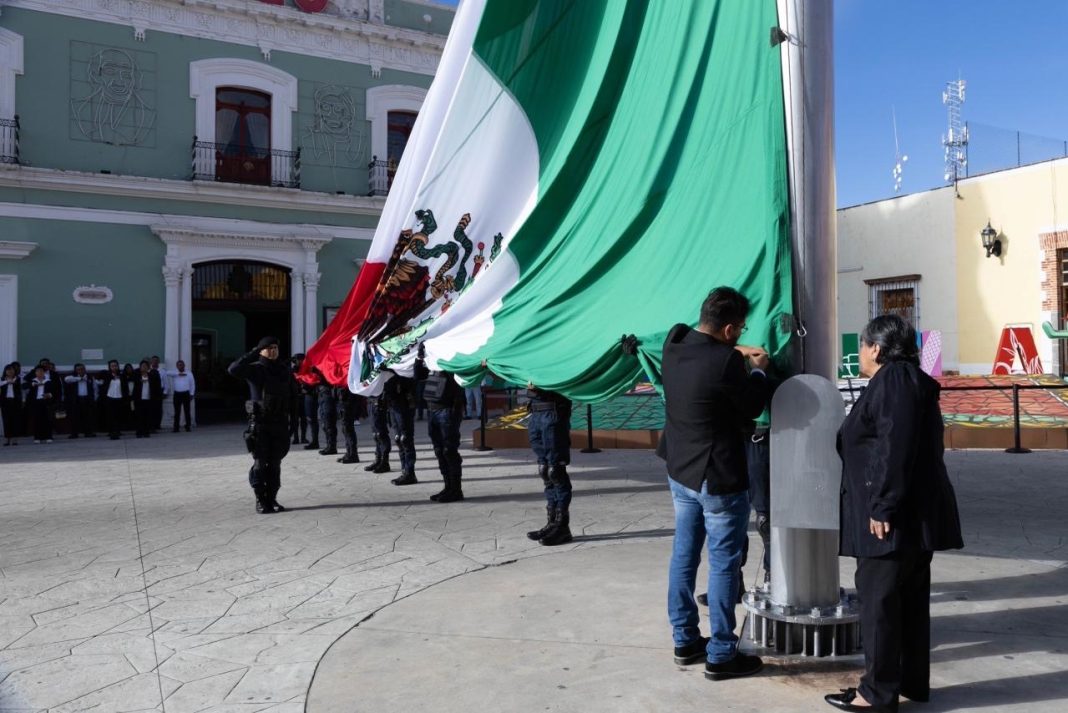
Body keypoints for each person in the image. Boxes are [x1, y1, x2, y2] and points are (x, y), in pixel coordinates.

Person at [824, 315, 963, 713]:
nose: (859, 353)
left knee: (879, 605)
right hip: (908, 517)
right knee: (907, 602)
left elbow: (893, 445)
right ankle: (909, 683)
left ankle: (877, 693)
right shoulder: (902, 381)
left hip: (891, 519)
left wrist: (882, 503)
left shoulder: (894, 381)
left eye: (862, 346)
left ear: (876, 349)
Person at [660, 286, 770, 681]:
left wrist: (737, 350)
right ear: (727, 329)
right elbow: (753, 405)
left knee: (684, 556)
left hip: (680, 470)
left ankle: (685, 639)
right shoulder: (726, 363)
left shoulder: (674, 342)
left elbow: (711, 346)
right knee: (724, 563)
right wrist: (758, 368)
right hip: (717, 478)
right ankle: (722, 653)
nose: (742, 336)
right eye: (740, 330)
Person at [228, 336, 292, 514]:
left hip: (279, 423)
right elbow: (233, 369)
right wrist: (255, 351)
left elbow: (292, 396)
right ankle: (260, 500)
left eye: (275, 348)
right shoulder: (256, 370)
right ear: (261, 350)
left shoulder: (283, 370)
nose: (273, 351)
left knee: (275, 463)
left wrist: (294, 423)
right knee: (260, 462)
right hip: (260, 424)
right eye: (268, 348)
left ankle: (272, 498)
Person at [524, 386, 574, 546]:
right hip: (536, 411)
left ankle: (561, 526)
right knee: (544, 470)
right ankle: (551, 522)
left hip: (553, 410)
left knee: (555, 471)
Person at [415, 348, 465, 502]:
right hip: (432, 409)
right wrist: (419, 358)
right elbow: (418, 376)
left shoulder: (451, 357)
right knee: (439, 450)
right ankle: (447, 486)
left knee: (449, 450)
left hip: (447, 409)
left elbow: (459, 376)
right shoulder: (431, 361)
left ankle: (456, 489)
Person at [382, 371, 418, 485]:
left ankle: (410, 473)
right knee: (398, 439)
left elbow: (413, 378)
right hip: (393, 403)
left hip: (404, 403)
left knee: (405, 439)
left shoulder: (405, 365)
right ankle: (405, 471)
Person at [63, 363, 97, 438]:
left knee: (88, 417)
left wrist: (94, 398)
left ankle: (88, 432)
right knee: (75, 417)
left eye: (82, 369)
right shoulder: (72, 377)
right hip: (76, 400)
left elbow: (95, 388)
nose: (81, 371)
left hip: (87, 399)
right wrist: (80, 379)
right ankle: (74, 433)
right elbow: (66, 379)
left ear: (85, 370)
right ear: (76, 370)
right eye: (78, 369)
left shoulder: (90, 378)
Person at [27, 365, 57, 443]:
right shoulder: (33, 381)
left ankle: (48, 436)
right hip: (36, 402)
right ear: (35, 373)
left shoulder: (48, 381)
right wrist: (33, 384)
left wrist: (49, 395)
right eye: (38, 371)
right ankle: (37, 437)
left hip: (46, 402)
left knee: (47, 419)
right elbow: (25, 387)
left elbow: (54, 392)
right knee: (37, 420)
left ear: (44, 373)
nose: (40, 373)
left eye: (41, 371)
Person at [131, 359, 160, 438]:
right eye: (142, 366)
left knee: (147, 416)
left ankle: (146, 432)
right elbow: (134, 382)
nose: (144, 368)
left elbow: (155, 387)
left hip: (148, 399)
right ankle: (139, 432)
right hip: (139, 399)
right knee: (139, 416)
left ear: (148, 367)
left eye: (145, 366)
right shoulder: (137, 375)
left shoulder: (151, 376)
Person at [364, 394, 392, 473]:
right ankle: (378, 459)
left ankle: (384, 461)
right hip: (371, 400)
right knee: (375, 434)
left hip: (379, 401)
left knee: (381, 433)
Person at [100, 360, 128, 439]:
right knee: (110, 416)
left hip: (119, 398)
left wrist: (125, 397)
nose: (114, 367)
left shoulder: (122, 376)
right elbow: (103, 385)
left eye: (115, 365)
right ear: (109, 367)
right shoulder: (107, 375)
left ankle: (118, 431)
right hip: (110, 398)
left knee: (118, 415)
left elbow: (125, 388)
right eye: (112, 366)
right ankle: (111, 431)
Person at [169, 360, 195, 432]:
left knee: (187, 411)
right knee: (177, 412)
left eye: (181, 365)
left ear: (184, 365)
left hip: (186, 394)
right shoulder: (174, 373)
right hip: (177, 394)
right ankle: (176, 427)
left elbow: (192, 384)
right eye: (179, 365)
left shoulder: (189, 373)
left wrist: (192, 393)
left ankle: (188, 426)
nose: (180, 366)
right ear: (177, 366)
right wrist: (178, 374)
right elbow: (167, 373)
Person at [1, 363, 24, 445]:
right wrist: (7, 382)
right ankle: (7, 439)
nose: (10, 371)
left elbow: (21, 386)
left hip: (15, 402)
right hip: (5, 402)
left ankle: (15, 439)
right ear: (5, 371)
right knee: (6, 421)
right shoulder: (2, 379)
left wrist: (13, 381)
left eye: (12, 370)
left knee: (15, 420)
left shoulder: (18, 379)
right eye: (8, 370)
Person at [337, 386, 361, 464]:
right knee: (345, 429)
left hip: (348, 400)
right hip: (344, 398)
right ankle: (349, 452)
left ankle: (353, 454)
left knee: (348, 428)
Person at [317, 374, 339, 456]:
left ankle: (332, 446)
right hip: (322, 392)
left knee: (329, 421)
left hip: (328, 392)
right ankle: (329, 445)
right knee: (325, 423)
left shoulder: (328, 364)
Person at [289, 354, 308, 445]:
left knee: (303, 418)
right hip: (294, 397)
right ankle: (296, 438)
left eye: (302, 360)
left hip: (303, 396)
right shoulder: (291, 371)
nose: (300, 361)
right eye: (298, 360)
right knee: (295, 419)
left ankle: (303, 437)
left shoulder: (306, 369)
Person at [149, 355, 166, 432]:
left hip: (159, 391)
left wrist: (165, 392)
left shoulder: (162, 371)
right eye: (153, 360)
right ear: (151, 361)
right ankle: (151, 425)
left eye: (156, 360)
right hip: (150, 391)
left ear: (158, 362)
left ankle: (157, 425)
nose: (155, 362)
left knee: (158, 409)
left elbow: (166, 383)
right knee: (151, 409)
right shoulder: (148, 370)